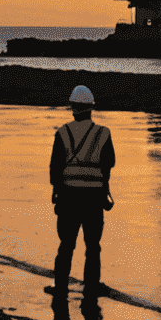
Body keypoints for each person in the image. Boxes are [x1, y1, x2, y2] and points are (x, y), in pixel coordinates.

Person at [49, 85, 115, 296]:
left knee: (66, 245)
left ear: (73, 108)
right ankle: (91, 288)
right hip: (94, 199)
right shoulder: (103, 133)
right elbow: (109, 163)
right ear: (91, 108)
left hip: (68, 198)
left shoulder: (62, 133)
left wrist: (57, 192)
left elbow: (55, 169)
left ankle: (60, 288)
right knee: (93, 246)